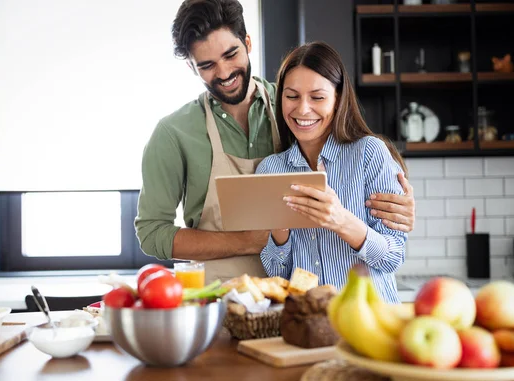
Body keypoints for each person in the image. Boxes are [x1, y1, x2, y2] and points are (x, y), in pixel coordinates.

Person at [134, 0, 415, 284]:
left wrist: (396, 210)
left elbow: (356, 156)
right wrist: (249, 241)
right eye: (206, 65)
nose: (224, 73)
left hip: (290, 304)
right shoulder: (173, 133)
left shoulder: (294, 108)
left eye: (231, 54)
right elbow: (151, 233)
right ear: (191, 67)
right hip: (216, 298)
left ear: (247, 42)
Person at [257, 41, 406, 303]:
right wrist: (280, 233)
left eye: (317, 97)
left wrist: (340, 220)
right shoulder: (270, 170)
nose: (302, 109)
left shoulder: (369, 154)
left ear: (338, 100)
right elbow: (275, 272)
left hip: (368, 323)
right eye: (292, 96)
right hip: (307, 325)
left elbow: (393, 256)